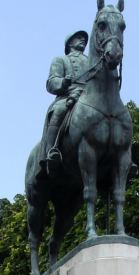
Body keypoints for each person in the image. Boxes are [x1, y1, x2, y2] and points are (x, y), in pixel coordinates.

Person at [38, 30, 89, 176]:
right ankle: (51, 152)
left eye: (84, 38)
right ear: (70, 43)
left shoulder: (92, 61)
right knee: (59, 111)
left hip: (90, 97)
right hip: (67, 96)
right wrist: (63, 82)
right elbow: (51, 82)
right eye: (78, 38)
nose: (82, 40)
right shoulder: (60, 60)